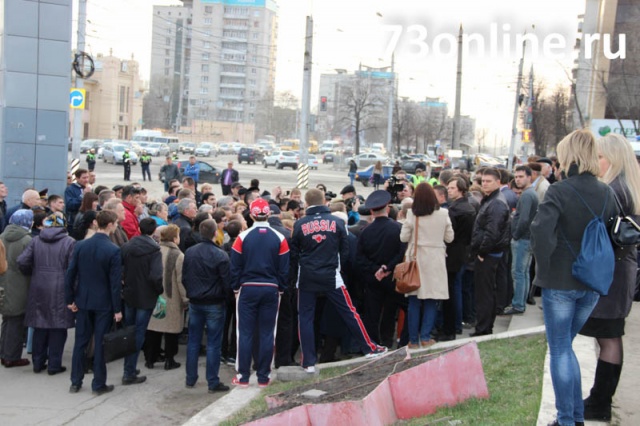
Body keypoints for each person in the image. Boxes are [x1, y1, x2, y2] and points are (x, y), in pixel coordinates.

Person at [530, 129, 618, 426]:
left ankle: (566, 419)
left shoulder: (560, 190)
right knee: (565, 347)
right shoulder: (607, 192)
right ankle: (575, 416)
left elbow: (540, 231)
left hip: (560, 281)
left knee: (559, 350)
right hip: (591, 283)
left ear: (569, 155)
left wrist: (543, 268)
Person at [578, 133, 640, 422]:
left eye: (600, 157)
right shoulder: (628, 187)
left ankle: (600, 402)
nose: (596, 162)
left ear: (613, 158)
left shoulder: (615, 190)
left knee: (609, 336)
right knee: (610, 336)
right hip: (618, 271)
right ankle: (600, 400)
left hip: (612, 274)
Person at [291, 189, 387, 373]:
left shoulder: (300, 224)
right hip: (331, 274)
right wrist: (338, 267)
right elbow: (344, 249)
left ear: (307, 203)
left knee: (305, 317)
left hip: (307, 275)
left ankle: (308, 361)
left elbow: (294, 253)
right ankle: (369, 347)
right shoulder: (336, 222)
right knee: (349, 311)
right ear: (324, 201)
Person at [230, 198, 289, 387]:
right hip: (271, 288)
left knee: (245, 333)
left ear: (252, 214)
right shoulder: (280, 238)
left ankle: (243, 376)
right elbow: (284, 269)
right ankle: (264, 376)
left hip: (248, 288)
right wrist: (280, 288)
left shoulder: (242, 237)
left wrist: (236, 287)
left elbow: (235, 266)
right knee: (267, 333)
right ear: (268, 214)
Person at [65, 210, 123, 395]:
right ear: (110, 225)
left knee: (80, 342)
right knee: (100, 343)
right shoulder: (113, 250)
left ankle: (75, 381)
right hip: (104, 303)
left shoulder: (81, 245)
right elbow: (115, 284)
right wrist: (117, 308)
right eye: (116, 223)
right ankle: (98, 384)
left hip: (83, 299)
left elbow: (70, 273)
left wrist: (69, 299)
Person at [16, 213, 75, 374]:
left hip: (39, 285)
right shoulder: (69, 242)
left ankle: (37, 363)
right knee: (58, 326)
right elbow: (73, 268)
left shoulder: (36, 240)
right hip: (60, 287)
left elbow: (22, 261)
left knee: (40, 325)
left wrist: (33, 272)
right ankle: (54, 365)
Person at [400, 183, 454, 348]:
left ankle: (413, 340)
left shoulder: (412, 214)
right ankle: (425, 337)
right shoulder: (443, 213)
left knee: (414, 302)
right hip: (435, 261)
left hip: (415, 260)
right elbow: (450, 237)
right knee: (431, 300)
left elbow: (403, 237)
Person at [182, 219, 231, 393]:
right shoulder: (220, 255)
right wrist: (225, 297)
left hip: (196, 301)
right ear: (215, 233)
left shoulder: (190, 252)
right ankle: (212, 381)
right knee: (213, 343)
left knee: (194, 341)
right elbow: (226, 282)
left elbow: (185, 277)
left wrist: (191, 292)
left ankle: (190, 378)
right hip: (213, 302)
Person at [357, 190, 407, 348]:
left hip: (373, 279)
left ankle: (373, 342)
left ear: (372, 211)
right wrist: (387, 268)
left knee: (372, 312)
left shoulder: (365, 232)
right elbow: (401, 252)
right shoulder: (398, 228)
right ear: (388, 208)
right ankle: (387, 339)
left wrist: (376, 270)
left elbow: (360, 258)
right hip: (392, 277)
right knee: (390, 310)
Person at [120, 218, 163, 386]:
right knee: (138, 332)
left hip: (130, 293)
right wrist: (158, 290)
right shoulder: (154, 249)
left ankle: (129, 367)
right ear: (154, 231)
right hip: (146, 295)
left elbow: (120, 267)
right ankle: (129, 371)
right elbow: (156, 276)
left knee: (130, 330)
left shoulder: (127, 246)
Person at [469, 167, 511, 337]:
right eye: (483, 181)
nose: (485, 184)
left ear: (498, 182)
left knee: (485, 294)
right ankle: (485, 327)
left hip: (489, 254)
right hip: (489, 252)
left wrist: (482, 252)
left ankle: (483, 329)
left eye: (488, 181)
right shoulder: (491, 200)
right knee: (486, 292)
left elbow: (492, 232)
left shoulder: (496, 203)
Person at [145, 224, 188, 370]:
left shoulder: (154, 250)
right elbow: (180, 280)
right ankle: (170, 360)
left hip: (156, 296)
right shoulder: (178, 255)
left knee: (154, 328)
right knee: (171, 330)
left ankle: (150, 359)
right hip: (171, 297)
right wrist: (185, 299)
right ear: (175, 238)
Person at [439, 176, 476, 341]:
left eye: (452, 188)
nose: (449, 190)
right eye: (448, 188)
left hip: (453, 253)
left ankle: (450, 328)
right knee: (456, 288)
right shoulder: (468, 207)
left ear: (461, 189)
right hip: (463, 252)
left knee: (451, 291)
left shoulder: (455, 210)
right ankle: (455, 325)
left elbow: (449, 235)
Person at [0, 210, 34, 368]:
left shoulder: (2, 237)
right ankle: (11, 357)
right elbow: (29, 264)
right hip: (21, 284)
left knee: (7, 319)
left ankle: (3, 353)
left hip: (3, 282)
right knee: (17, 321)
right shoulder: (27, 240)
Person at [503, 165, 538, 315]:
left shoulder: (527, 195)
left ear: (529, 177)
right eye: (516, 177)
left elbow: (524, 219)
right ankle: (521, 302)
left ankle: (518, 304)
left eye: (521, 176)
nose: (517, 179)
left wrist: (515, 235)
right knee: (523, 272)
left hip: (523, 239)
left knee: (518, 272)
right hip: (526, 238)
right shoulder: (529, 193)